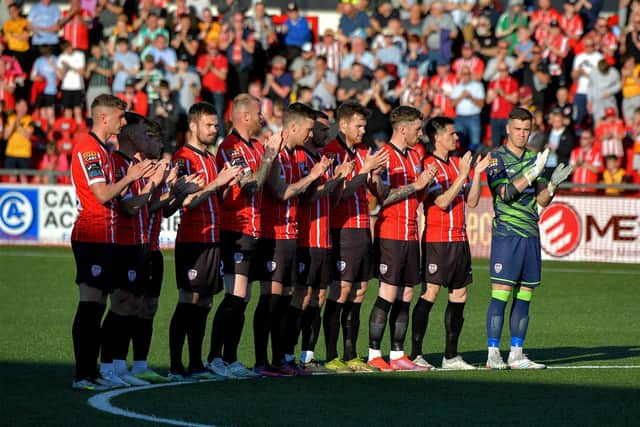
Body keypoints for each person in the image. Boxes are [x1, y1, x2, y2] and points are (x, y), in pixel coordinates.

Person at [69, 94, 154, 390]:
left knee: (100, 305)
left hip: (107, 237)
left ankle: (93, 372)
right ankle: (83, 375)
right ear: (104, 117)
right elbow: (103, 195)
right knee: (91, 306)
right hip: (92, 234)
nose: (123, 121)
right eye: (120, 117)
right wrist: (130, 178)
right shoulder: (89, 149)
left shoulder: (102, 150)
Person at [484, 107, 572, 370]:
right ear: (508, 129)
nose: (522, 134)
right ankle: (492, 354)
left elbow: (542, 200)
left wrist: (553, 185)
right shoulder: (495, 158)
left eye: (526, 130)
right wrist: (533, 173)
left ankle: (517, 354)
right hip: (506, 235)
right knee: (501, 294)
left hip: (531, 234)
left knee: (525, 296)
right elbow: (505, 193)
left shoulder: (537, 157)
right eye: (518, 129)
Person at [252, 103, 332, 375]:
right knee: (271, 300)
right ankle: (261, 361)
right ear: (293, 127)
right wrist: (312, 177)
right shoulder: (273, 152)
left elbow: (301, 194)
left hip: (291, 236)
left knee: (285, 299)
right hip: (271, 235)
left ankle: (279, 359)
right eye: (308, 129)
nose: (310, 135)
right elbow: (280, 192)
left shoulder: (294, 156)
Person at [205, 94, 281, 378]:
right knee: (235, 296)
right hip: (234, 230)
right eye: (260, 113)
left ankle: (230, 358)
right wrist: (270, 157)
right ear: (245, 117)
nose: (263, 118)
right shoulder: (230, 147)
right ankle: (215, 357)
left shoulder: (255, 146)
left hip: (254, 230)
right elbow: (251, 186)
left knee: (244, 297)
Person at [409, 116, 490, 371]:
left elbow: (473, 201)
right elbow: (441, 202)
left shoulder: (457, 163)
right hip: (437, 240)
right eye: (452, 134)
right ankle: (415, 354)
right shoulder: (428, 165)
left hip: (459, 239)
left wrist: (475, 175)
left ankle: (451, 356)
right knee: (430, 294)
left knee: (460, 295)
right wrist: (462, 176)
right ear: (437, 137)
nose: (457, 138)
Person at [168, 102, 241, 381]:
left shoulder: (211, 159)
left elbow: (212, 199)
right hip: (192, 240)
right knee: (189, 299)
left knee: (206, 302)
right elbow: (185, 202)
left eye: (215, 125)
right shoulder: (183, 159)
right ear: (193, 126)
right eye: (209, 125)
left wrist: (226, 185)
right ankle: (176, 365)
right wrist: (215, 184)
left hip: (213, 240)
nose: (214, 130)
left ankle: (197, 363)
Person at [365, 106, 437, 372]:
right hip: (390, 234)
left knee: (407, 293)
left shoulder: (414, 156)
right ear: (402, 129)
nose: (421, 134)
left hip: (410, 233)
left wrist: (425, 184)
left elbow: (415, 197)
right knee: (388, 291)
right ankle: (374, 353)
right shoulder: (385, 155)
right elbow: (382, 197)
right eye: (417, 129)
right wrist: (415, 185)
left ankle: (397, 354)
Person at [322, 101, 389, 373]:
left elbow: (379, 192)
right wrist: (363, 171)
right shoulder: (332, 152)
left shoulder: (364, 151)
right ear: (343, 125)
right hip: (342, 228)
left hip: (363, 228)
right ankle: (330, 354)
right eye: (358, 125)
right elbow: (339, 197)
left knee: (360, 291)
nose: (363, 130)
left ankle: (351, 354)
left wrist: (376, 177)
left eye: (364, 125)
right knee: (341, 290)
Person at [100, 113, 167, 388]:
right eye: (144, 134)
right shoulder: (119, 163)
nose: (147, 140)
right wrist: (153, 183)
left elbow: (145, 206)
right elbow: (129, 207)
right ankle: (109, 366)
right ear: (131, 136)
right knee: (121, 304)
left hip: (140, 245)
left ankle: (122, 365)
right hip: (124, 245)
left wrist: (168, 190)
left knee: (135, 305)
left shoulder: (132, 165)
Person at [294, 111, 353, 373]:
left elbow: (334, 199)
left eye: (327, 130)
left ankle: (307, 356)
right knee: (302, 298)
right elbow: (306, 197)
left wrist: (340, 178)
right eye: (320, 129)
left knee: (317, 297)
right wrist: (333, 178)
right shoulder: (301, 158)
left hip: (324, 239)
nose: (324, 134)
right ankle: (286, 355)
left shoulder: (321, 159)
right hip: (305, 239)